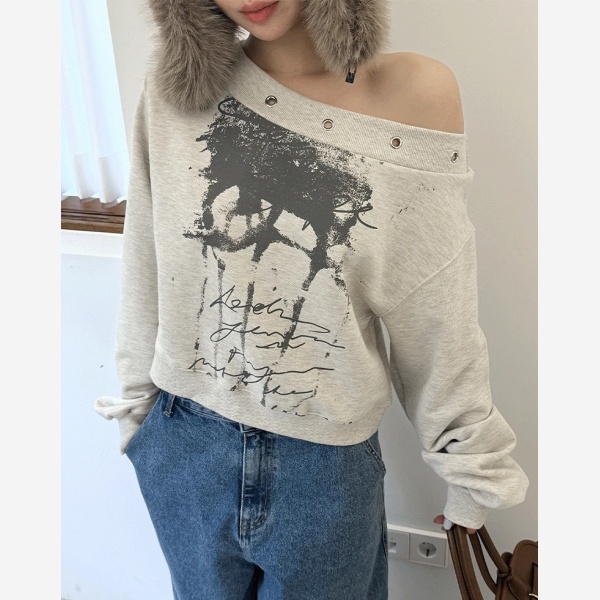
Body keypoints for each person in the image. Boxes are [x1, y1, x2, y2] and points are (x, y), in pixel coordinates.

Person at [94, 1, 530, 598]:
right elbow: (147, 256)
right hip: (185, 445)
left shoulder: (416, 94)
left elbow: (436, 303)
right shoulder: (177, 93)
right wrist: (137, 422)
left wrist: (471, 467)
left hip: (324, 468)